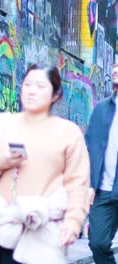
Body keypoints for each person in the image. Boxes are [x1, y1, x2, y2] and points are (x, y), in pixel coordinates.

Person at [0, 63, 90, 264]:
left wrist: (73, 222)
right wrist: (2, 161)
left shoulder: (69, 133)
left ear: (55, 95)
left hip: (44, 233)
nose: (32, 91)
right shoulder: (0, 124)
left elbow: (78, 183)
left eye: (40, 86)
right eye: (27, 84)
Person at [86, 63, 118, 264]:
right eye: (115, 65)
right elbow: (90, 148)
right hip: (104, 191)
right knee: (97, 243)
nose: (115, 69)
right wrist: (89, 184)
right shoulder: (101, 110)